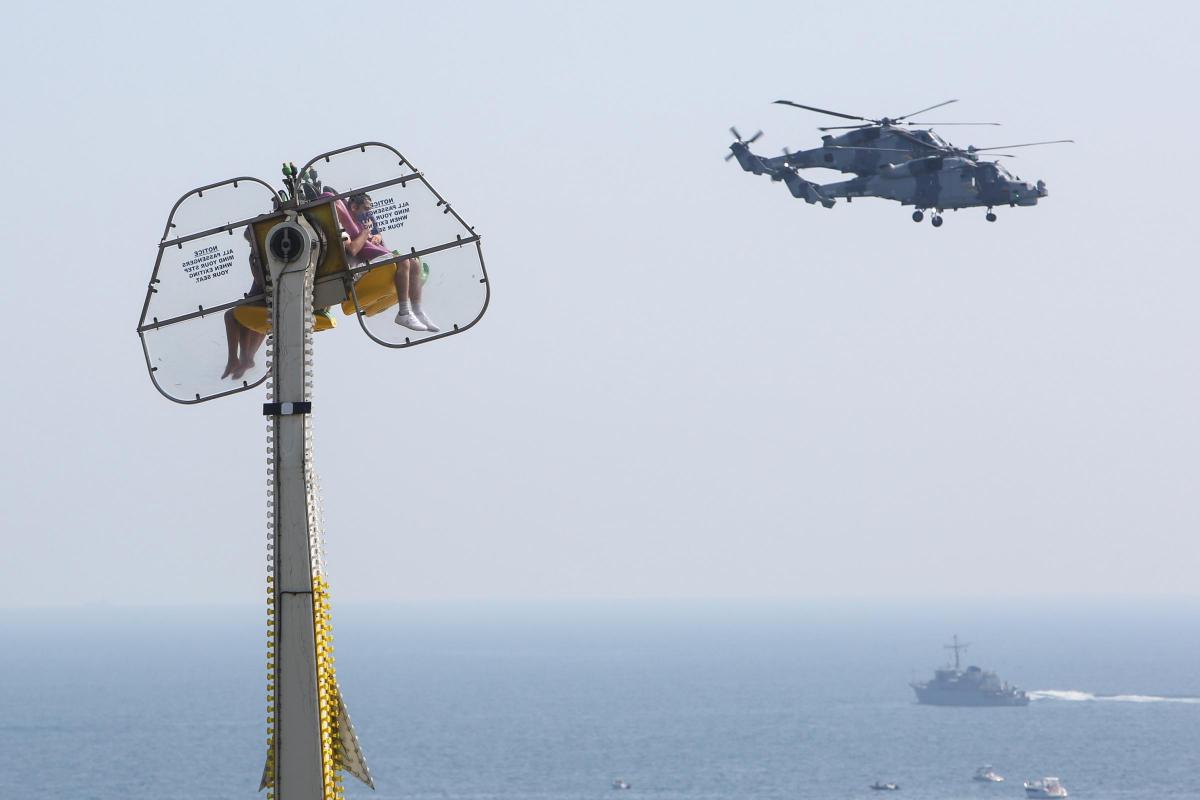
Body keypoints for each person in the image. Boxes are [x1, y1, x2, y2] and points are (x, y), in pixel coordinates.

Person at [338, 192, 438, 332]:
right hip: (357, 272)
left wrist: (376, 237)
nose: (369, 213)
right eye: (366, 209)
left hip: (372, 263)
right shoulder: (344, 228)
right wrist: (365, 233)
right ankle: (403, 312)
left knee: (414, 263)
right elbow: (353, 249)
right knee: (403, 260)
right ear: (354, 207)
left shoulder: (364, 226)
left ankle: (417, 311)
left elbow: (374, 241)